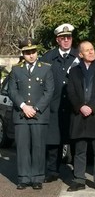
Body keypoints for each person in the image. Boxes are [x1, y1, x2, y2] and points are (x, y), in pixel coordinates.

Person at [8, 38, 54, 190]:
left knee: (38, 147)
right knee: (22, 148)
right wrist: (23, 106)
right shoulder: (16, 69)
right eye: (27, 53)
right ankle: (23, 178)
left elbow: (49, 91)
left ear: (37, 52)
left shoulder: (46, 68)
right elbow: (12, 90)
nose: (31, 55)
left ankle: (37, 178)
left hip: (39, 115)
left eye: (33, 52)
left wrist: (36, 108)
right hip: (21, 115)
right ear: (23, 53)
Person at [66, 41, 95, 192]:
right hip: (80, 115)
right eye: (87, 50)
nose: (91, 52)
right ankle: (79, 180)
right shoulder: (73, 71)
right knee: (79, 150)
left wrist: (91, 107)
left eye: (92, 49)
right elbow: (71, 91)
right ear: (80, 54)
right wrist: (80, 107)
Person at [40, 23, 78, 182]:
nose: (66, 40)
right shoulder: (48, 57)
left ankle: (78, 172)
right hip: (54, 106)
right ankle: (52, 171)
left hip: (74, 106)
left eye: (68, 37)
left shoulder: (78, 55)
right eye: (63, 38)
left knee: (75, 141)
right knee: (53, 142)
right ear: (57, 40)